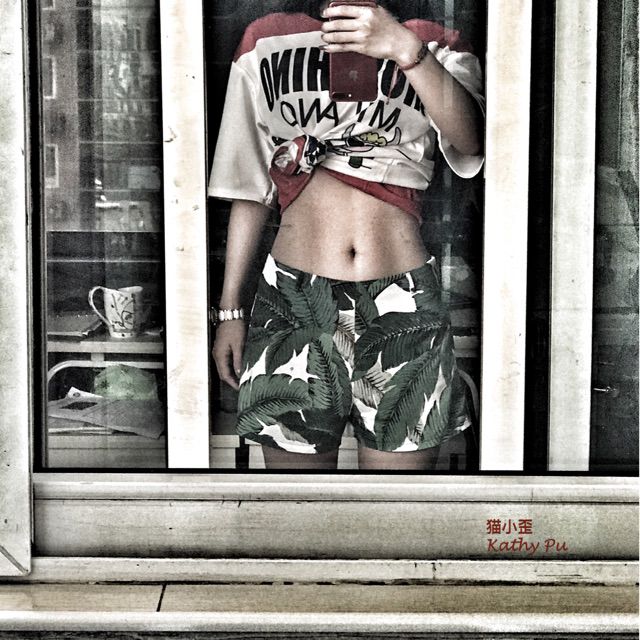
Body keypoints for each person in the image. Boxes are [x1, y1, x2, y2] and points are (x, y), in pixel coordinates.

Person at [209, 0, 484, 470]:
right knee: (300, 506)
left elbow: (472, 140)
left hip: (402, 299)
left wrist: (404, 48)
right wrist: (230, 310)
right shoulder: (265, 39)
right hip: (293, 298)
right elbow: (249, 186)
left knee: (400, 507)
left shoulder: (435, 41)